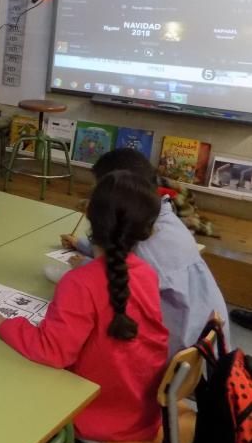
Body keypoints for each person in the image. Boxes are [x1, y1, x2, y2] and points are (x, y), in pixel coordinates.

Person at [0, 170, 169, 443]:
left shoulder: (80, 283)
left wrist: (3, 324)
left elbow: (52, 352)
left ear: (90, 218)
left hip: (98, 412)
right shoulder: (147, 272)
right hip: (143, 407)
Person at [61, 147, 230, 356]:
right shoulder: (160, 219)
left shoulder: (146, 246)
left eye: (97, 192)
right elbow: (120, 254)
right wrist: (83, 246)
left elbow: (117, 282)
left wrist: (86, 266)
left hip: (172, 358)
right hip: (204, 347)